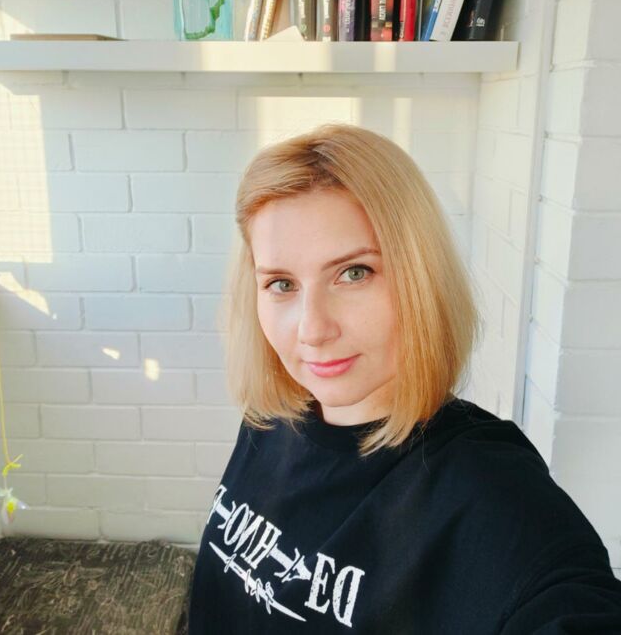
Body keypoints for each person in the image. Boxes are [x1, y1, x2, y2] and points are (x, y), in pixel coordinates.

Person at [187, 122, 621, 633]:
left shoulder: (487, 489)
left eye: (354, 273)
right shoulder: (270, 420)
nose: (313, 330)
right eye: (281, 283)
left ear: (420, 279)